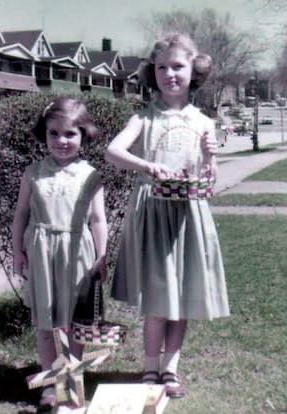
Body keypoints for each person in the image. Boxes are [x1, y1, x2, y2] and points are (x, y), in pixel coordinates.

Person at [105, 33, 230, 399]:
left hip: (188, 213)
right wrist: (147, 165)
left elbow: (210, 177)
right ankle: (149, 366)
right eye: (162, 67)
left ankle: (171, 370)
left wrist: (210, 155)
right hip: (153, 213)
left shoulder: (204, 122)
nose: (170, 74)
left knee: (183, 292)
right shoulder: (144, 117)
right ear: (151, 73)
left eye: (178, 66)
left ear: (194, 71)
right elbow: (114, 151)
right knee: (159, 295)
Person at [12, 97, 107, 410]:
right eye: (54, 133)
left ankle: (70, 381)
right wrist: (18, 253)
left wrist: (101, 256)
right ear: (45, 134)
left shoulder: (90, 175)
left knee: (73, 323)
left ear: (83, 135)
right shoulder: (33, 173)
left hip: (77, 252)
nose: (61, 141)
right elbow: (21, 215)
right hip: (41, 252)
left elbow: (97, 220)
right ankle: (51, 383)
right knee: (46, 320)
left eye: (70, 134)